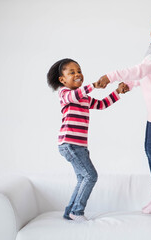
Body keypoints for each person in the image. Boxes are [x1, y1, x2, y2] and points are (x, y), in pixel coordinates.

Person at [97, 11, 151, 214]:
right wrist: (128, 84)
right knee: (150, 148)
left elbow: (140, 70)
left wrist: (111, 76)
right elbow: (146, 75)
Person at [47, 58, 129, 221]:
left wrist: (117, 92)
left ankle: (69, 212)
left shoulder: (84, 98)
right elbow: (77, 94)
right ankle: (77, 212)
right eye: (72, 72)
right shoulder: (65, 94)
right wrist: (94, 85)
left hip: (79, 146)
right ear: (62, 80)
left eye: (79, 71)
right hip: (70, 144)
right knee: (91, 176)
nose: (78, 74)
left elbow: (102, 104)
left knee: (83, 178)